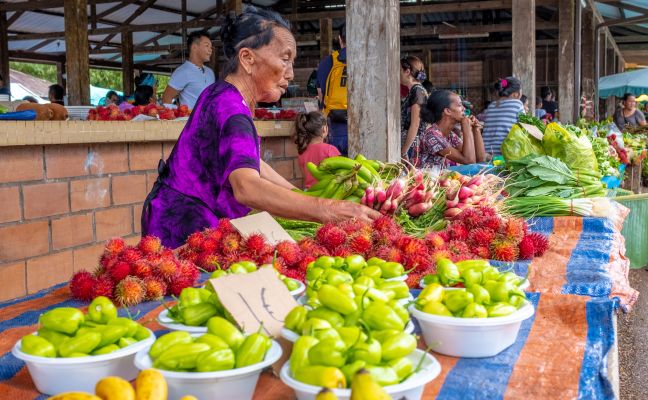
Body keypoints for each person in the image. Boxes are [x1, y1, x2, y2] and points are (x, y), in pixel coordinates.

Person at [141, 7, 379, 248]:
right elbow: (247, 187)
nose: (291, 73)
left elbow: (249, 162)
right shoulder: (232, 110)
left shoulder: (219, 93)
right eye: (285, 59)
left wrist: (301, 196)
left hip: (176, 218)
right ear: (247, 59)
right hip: (182, 229)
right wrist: (328, 210)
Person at [415, 90, 486, 169]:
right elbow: (469, 160)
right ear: (447, 111)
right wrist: (467, 128)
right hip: (426, 180)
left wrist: (476, 130)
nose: (463, 109)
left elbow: (480, 160)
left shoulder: (450, 136)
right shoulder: (431, 136)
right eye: (460, 105)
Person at [162, 30, 215, 109]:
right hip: (192, 120)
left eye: (211, 47)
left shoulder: (210, 72)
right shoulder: (182, 71)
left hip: (210, 120)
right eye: (207, 46)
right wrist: (178, 118)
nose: (210, 50)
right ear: (194, 47)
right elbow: (166, 98)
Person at [316, 24, 348, 156]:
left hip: (333, 128)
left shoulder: (327, 62)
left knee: (335, 172)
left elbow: (320, 95)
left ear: (340, 39)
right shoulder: (367, 61)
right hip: (362, 125)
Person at [293, 111, 340, 189]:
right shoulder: (330, 150)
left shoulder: (302, 153)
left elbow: (305, 178)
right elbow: (340, 174)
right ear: (324, 129)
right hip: (328, 194)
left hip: (309, 193)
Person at [482, 77, 525, 156]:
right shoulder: (517, 104)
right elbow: (524, 127)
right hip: (504, 152)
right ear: (516, 94)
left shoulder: (491, 105)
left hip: (485, 152)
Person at [400, 56, 428, 159]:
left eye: (400, 70)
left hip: (413, 146)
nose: (398, 74)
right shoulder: (414, 91)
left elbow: (415, 125)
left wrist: (404, 151)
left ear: (407, 71)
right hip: (411, 144)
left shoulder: (417, 91)